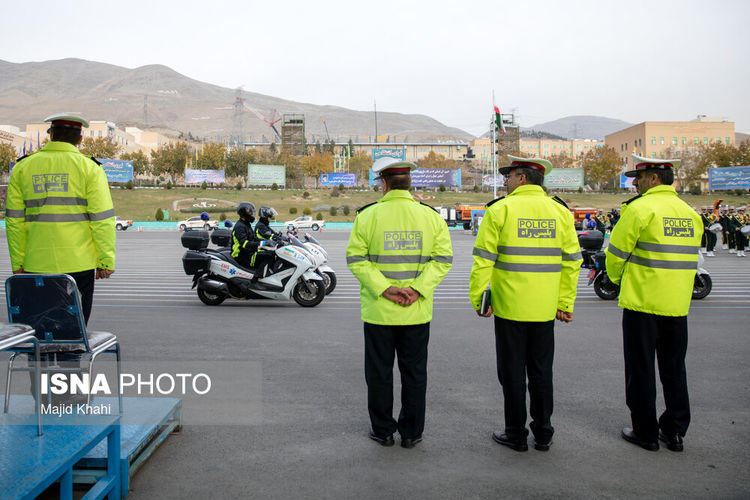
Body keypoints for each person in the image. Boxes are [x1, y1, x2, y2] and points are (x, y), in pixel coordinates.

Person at [469, 155, 582, 452]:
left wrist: (480, 298)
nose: (505, 181)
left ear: (522, 178)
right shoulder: (560, 212)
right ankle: (543, 433)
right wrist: (564, 302)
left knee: (512, 374)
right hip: (544, 309)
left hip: (510, 308)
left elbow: (483, 260)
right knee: (542, 373)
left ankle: (516, 434)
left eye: (508, 176)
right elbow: (572, 261)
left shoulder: (500, 210)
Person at [346, 157, 452, 449]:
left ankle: (382, 431)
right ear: (409, 183)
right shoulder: (431, 217)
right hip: (416, 312)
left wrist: (385, 289)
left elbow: (356, 259)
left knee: (379, 374)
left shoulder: (368, 216)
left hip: (379, 312)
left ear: (384, 183)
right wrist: (417, 289)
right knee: (415, 374)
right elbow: (443, 260)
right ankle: (411, 433)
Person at [605, 154, 702, 452]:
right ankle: (675, 431)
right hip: (677, 305)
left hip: (643, 303)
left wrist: (618, 280)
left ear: (654, 178)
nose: (635, 183)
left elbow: (616, 255)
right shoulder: (690, 214)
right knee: (674, 370)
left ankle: (645, 432)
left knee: (641, 369)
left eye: (639, 177)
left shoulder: (639, 209)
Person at [6, 113, 115, 325]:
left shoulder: (22, 167)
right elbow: (102, 220)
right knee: (74, 330)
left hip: (35, 264)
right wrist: (105, 261)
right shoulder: (90, 168)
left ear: (51, 135)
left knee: (38, 328)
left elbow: (14, 222)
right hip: (79, 266)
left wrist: (18, 263)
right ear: (80, 139)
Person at [231, 202, 262, 272]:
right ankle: (257, 277)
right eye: (251, 213)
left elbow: (254, 238)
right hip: (240, 256)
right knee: (267, 257)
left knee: (270, 253)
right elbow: (244, 244)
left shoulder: (246, 224)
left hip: (248, 253)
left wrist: (267, 241)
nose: (252, 215)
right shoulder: (240, 226)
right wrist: (261, 243)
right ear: (245, 213)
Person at [254, 206, 281, 277]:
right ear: (265, 217)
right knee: (272, 255)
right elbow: (270, 236)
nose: (271, 218)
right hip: (261, 249)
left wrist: (281, 236)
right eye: (270, 216)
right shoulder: (260, 226)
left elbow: (273, 233)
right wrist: (277, 238)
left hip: (267, 247)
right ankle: (261, 275)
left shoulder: (265, 225)